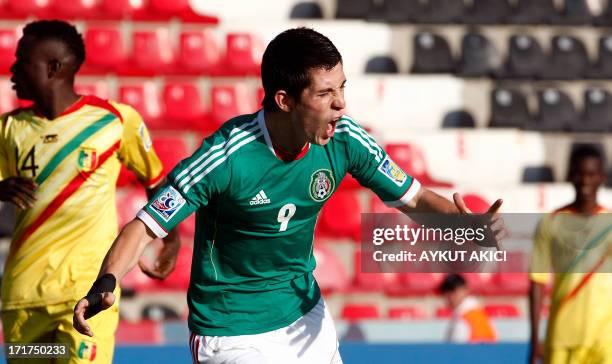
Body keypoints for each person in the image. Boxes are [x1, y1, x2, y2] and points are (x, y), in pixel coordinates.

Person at [74, 27, 504, 364]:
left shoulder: (346, 139)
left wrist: (459, 223)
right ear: (284, 100)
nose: (340, 105)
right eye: (324, 94)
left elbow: (412, 197)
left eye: (342, 88)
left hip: (305, 319)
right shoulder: (226, 156)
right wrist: (107, 279)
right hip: (231, 330)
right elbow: (145, 225)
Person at [0, 20, 180, 364]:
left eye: (22, 59)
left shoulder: (114, 120)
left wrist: (169, 239)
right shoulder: (8, 129)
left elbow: (158, 185)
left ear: (53, 67)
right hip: (23, 299)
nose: (12, 69)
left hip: (88, 295)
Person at [528, 145, 612, 364]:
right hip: (562, 334)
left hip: (604, 338)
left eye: (591, 174)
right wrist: (535, 339)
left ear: (601, 177)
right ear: (570, 175)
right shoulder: (550, 223)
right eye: (579, 174)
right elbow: (537, 282)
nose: (585, 181)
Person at [438, 273, 496, 343]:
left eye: (453, 291)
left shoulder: (463, 319)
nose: (449, 296)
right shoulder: (480, 314)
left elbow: (455, 350)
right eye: (446, 291)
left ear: (465, 289)